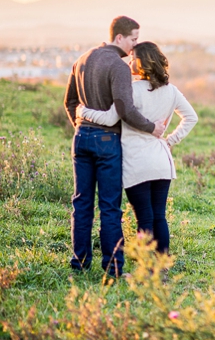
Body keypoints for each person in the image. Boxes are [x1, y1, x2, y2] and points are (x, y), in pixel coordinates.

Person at [64, 16, 166, 276]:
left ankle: (80, 263)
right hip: (108, 141)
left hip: (81, 137)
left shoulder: (82, 59)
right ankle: (113, 269)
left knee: (81, 202)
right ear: (119, 37)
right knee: (109, 206)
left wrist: (80, 126)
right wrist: (150, 127)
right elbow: (125, 108)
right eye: (133, 39)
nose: (135, 45)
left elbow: (70, 102)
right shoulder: (119, 66)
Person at [77, 41, 198, 255]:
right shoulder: (172, 91)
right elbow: (191, 117)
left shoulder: (130, 89)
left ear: (141, 63)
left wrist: (83, 111)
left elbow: (110, 118)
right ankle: (161, 264)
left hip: (137, 163)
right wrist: (169, 141)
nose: (129, 62)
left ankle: (146, 265)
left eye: (133, 58)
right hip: (161, 162)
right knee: (159, 216)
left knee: (145, 217)